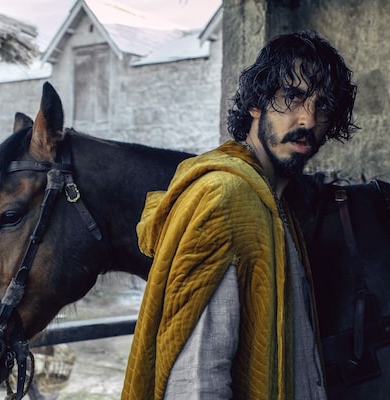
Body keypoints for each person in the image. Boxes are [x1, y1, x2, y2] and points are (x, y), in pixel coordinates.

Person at [122, 30, 358, 400]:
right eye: (293, 96)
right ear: (257, 103)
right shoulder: (226, 199)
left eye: (323, 105)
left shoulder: (275, 205)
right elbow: (196, 383)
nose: (308, 119)